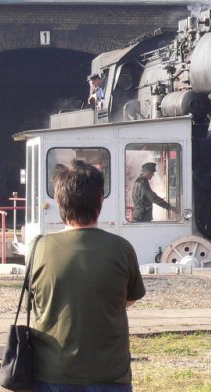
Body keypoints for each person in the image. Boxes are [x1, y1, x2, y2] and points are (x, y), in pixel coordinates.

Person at [30, 161, 145, 390]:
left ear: (58, 200)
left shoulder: (38, 248)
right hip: (109, 373)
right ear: (100, 199)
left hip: (51, 372)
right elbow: (128, 299)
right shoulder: (121, 248)